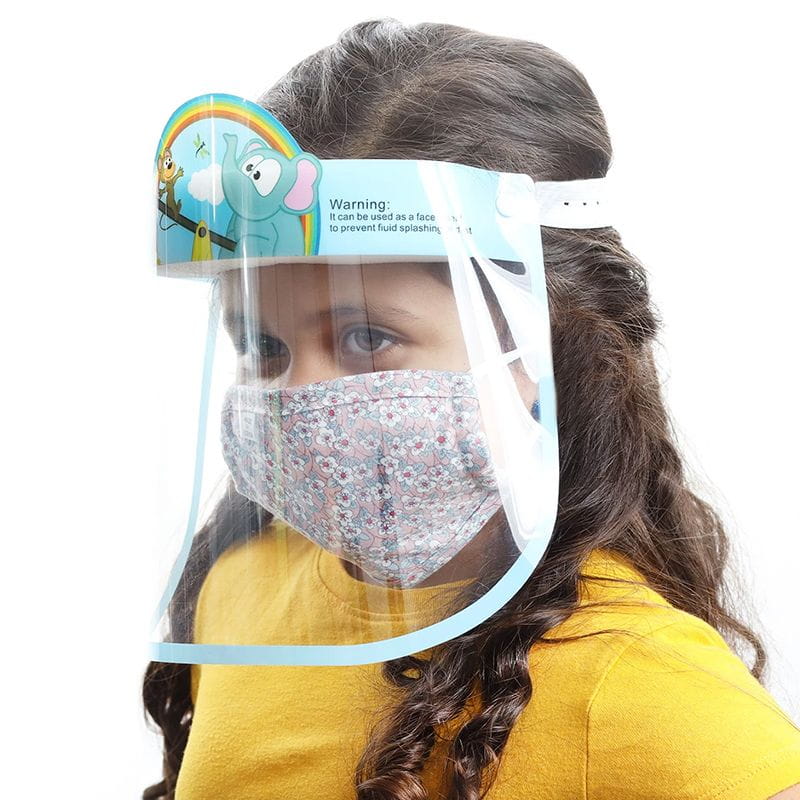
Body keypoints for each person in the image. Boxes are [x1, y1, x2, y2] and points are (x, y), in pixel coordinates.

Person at [142, 18, 800, 800]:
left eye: (365, 336)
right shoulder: (238, 585)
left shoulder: (641, 686)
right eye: (263, 345)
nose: (296, 397)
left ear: (540, 344)